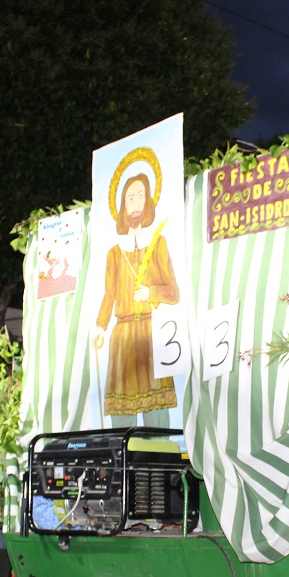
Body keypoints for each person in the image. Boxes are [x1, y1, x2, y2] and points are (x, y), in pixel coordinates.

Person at [95, 170, 180, 427]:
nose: (135, 203)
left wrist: (151, 293)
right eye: (130, 198)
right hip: (123, 339)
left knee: (156, 414)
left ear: (148, 202)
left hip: (150, 335)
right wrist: (100, 327)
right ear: (122, 205)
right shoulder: (114, 253)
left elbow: (174, 292)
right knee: (123, 415)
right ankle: (123, 462)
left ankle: (158, 463)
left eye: (140, 196)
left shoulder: (159, 244)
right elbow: (109, 295)